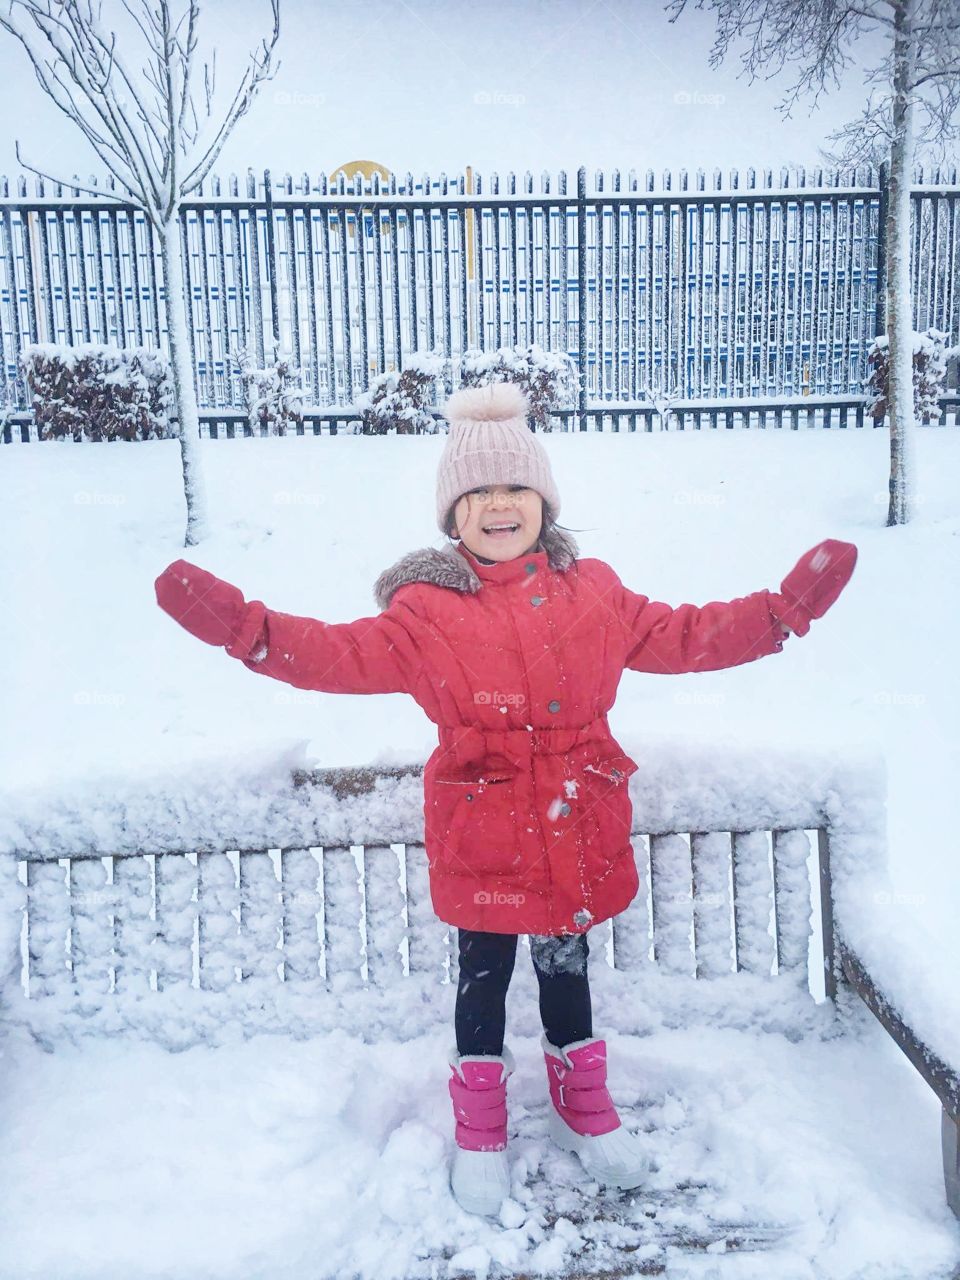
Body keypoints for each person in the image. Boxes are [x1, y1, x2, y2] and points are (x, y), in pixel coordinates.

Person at [154, 381, 858, 1219]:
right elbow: (331, 655)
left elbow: (683, 634)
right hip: (485, 832)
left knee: (567, 974)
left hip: (576, 822)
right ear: (452, 517)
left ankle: (582, 1112)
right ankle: (480, 1129)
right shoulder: (424, 615)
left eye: (515, 488)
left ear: (544, 502)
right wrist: (248, 629)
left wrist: (780, 614)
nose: (498, 504)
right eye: (477, 492)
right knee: (482, 979)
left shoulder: (593, 594)